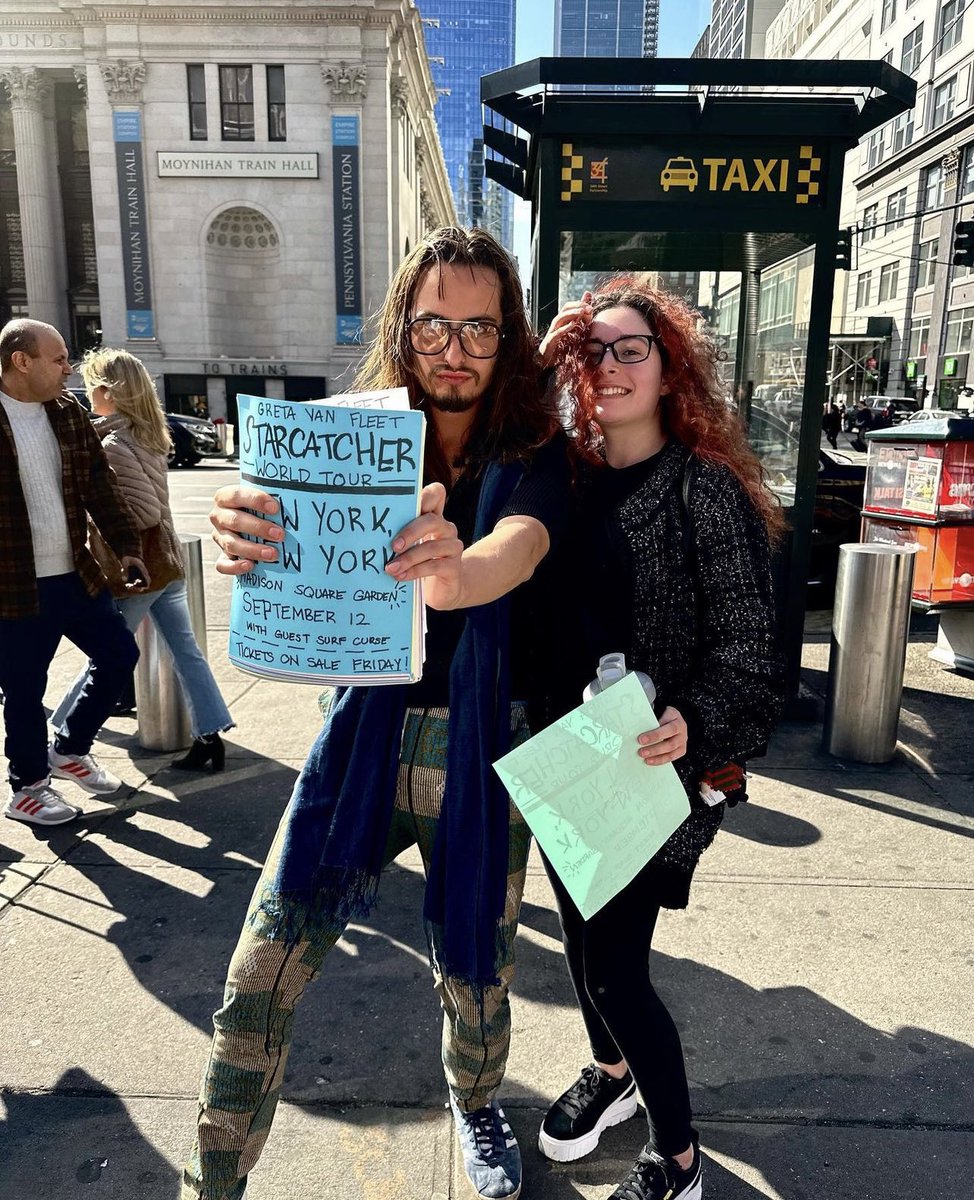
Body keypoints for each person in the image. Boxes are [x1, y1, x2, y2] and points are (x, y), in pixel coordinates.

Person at [184, 227, 567, 1200]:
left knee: (475, 980)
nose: (453, 348)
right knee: (254, 981)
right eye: (434, 322)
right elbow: (277, 535)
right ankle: (209, 1181)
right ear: (403, 322)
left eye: (479, 330)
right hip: (357, 740)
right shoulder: (352, 432)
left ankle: (475, 1108)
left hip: (480, 746)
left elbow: (517, 547)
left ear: (507, 337)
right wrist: (247, 532)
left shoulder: (533, 447)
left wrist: (456, 574)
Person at [532, 279, 785, 1200]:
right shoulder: (563, 477)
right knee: (572, 938)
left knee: (615, 967)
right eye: (590, 350)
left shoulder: (702, 488)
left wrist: (696, 721)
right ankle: (611, 1078)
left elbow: (753, 647)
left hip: (658, 765)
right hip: (565, 756)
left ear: (669, 364)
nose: (609, 365)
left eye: (630, 347)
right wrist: (536, 360)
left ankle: (677, 1160)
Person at [51, 349, 234, 771]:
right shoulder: (147, 434)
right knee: (185, 652)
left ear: (108, 392)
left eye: (93, 386)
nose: (87, 396)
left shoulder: (114, 443)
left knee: (107, 656)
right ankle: (210, 735)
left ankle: (62, 732)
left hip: (141, 571)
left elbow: (141, 513)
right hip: (167, 564)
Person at [0, 319, 147, 826]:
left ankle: (70, 749)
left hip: (73, 574)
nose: (69, 368)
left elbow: (99, 488)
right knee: (23, 689)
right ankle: (27, 788)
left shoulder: (66, 414)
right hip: (13, 585)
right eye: (60, 359)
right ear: (22, 361)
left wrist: (127, 546)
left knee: (119, 654)